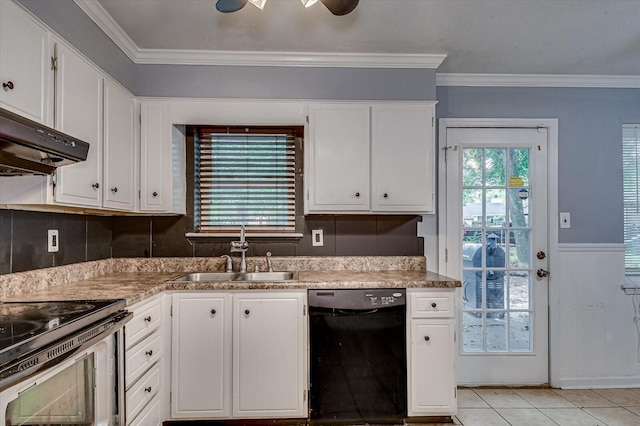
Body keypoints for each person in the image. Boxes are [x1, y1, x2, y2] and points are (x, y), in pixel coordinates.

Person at [472, 233, 506, 312]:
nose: (493, 242)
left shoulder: (500, 252)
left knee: (496, 289)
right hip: (482, 275)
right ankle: (482, 307)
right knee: (483, 290)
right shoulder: (479, 252)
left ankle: (497, 307)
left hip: (495, 275)